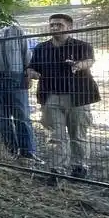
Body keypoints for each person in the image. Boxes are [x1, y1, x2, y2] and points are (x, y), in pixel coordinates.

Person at [27, 14, 100, 178]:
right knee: (55, 136)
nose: (54, 28)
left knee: (78, 135)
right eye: (52, 25)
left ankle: (79, 167)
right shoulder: (41, 48)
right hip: (50, 97)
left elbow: (90, 61)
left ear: (69, 27)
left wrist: (78, 65)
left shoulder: (82, 46)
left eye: (59, 25)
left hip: (78, 97)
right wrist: (32, 73)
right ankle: (57, 170)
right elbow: (31, 67)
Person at [0, 8, 37, 162]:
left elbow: (27, 53)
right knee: (2, 116)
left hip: (17, 75)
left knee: (22, 114)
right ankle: (11, 150)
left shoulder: (17, 31)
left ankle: (27, 152)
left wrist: (27, 73)